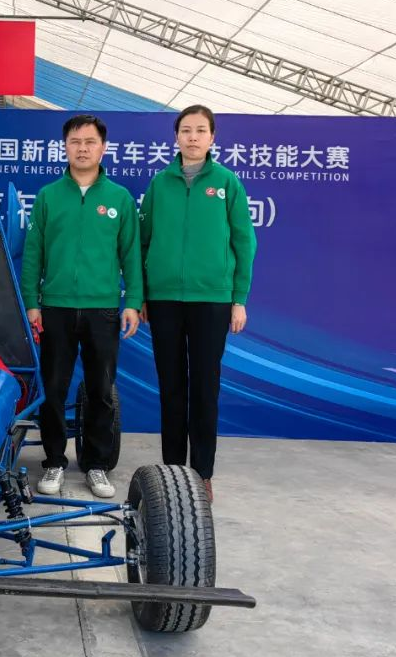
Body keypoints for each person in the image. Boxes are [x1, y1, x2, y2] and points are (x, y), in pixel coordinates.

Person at [21, 114, 143, 499]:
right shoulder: (48, 196)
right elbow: (33, 254)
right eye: (75, 142)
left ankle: (96, 465)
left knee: (101, 390)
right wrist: (32, 302)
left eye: (90, 142)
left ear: (103, 148)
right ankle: (54, 461)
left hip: (102, 309)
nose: (83, 148)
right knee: (53, 388)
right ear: (65, 147)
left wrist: (133, 302)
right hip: (55, 308)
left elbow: (131, 255)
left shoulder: (119, 198)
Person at [139, 104, 256, 503]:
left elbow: (244, 242)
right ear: (176, 137)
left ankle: (202, 473)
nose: (192, 137)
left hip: (212, 301)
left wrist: (238, 299)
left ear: (212, 138)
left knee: (205, 389)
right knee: (171, 388)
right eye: (186, 130)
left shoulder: (227, 183)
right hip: (165, 300)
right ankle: (174, 474)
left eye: (200, 130)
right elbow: (143, 242)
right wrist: (143, 295)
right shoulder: (160, 184)